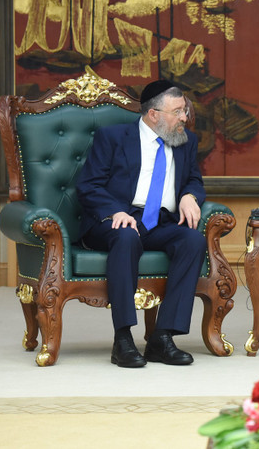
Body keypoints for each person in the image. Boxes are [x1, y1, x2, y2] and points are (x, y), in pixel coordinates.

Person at [76, 80, 207, 368]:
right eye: (178, 111)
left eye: (185, 110)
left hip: (160, 222)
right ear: (154, 114)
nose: (185, 117)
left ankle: (162, 337)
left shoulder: (186, 142)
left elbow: (194, 180)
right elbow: (88, 185)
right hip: (115, 221)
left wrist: (189, 195)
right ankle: (122, 339)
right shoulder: (112, 138)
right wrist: (114, 212)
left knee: (193, 240)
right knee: (126, 237)